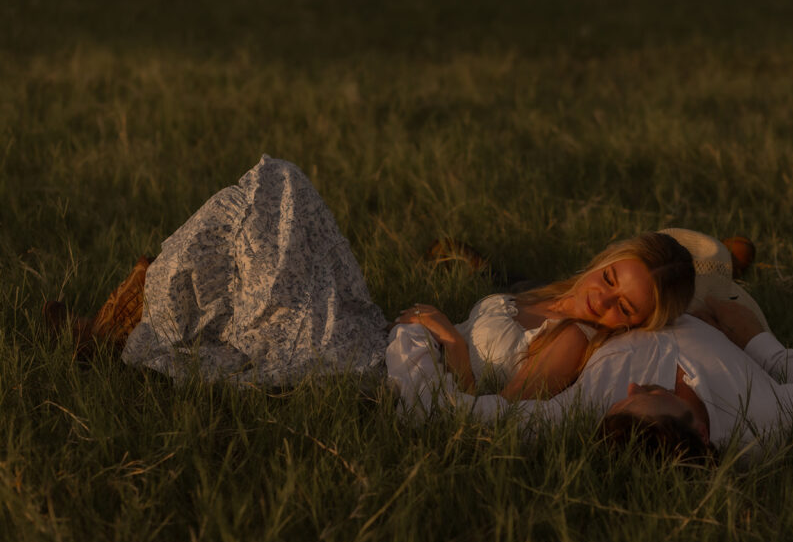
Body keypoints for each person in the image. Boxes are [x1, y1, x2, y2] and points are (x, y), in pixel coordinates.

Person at [45, 155, 696, 399]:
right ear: (607, 259)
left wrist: (451, 337)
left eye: (625, 310)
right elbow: (706, 259)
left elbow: (491, 416)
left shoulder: (574, 343)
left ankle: (130, 322)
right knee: (278, 190)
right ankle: (146, 306)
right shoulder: (554, 296)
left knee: (275, 234)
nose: (604, 298)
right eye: (613, 277)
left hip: (376, 369)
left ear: (636, 327)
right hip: (380, 333)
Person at [388, 241, 793, 463]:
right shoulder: (762, 419)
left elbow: (453, 417)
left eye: (626, 396)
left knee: (556, 300)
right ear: (700, 428)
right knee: (695, 261)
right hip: (723, 316)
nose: (633, 386)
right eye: (644, 394)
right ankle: (722, 257)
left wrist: (440, 346)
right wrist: (761, 343)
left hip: (646, 313)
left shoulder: (594, 404)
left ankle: (723, 258)